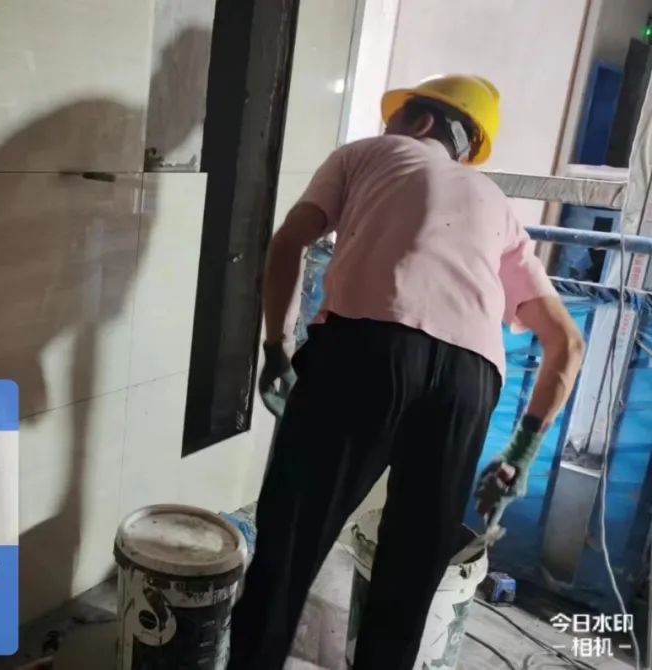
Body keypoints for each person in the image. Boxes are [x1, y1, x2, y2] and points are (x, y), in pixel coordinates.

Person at [227, 74, 585, 669]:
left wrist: (276, 348)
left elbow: (289, 242)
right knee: (408, 584)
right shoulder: (497, 207)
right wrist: (520, 455)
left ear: (420, 122)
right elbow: (566, 345)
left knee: (288, 552)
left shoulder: (365, 155)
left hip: (365, 351)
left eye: (394, 118)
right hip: (471, 381)